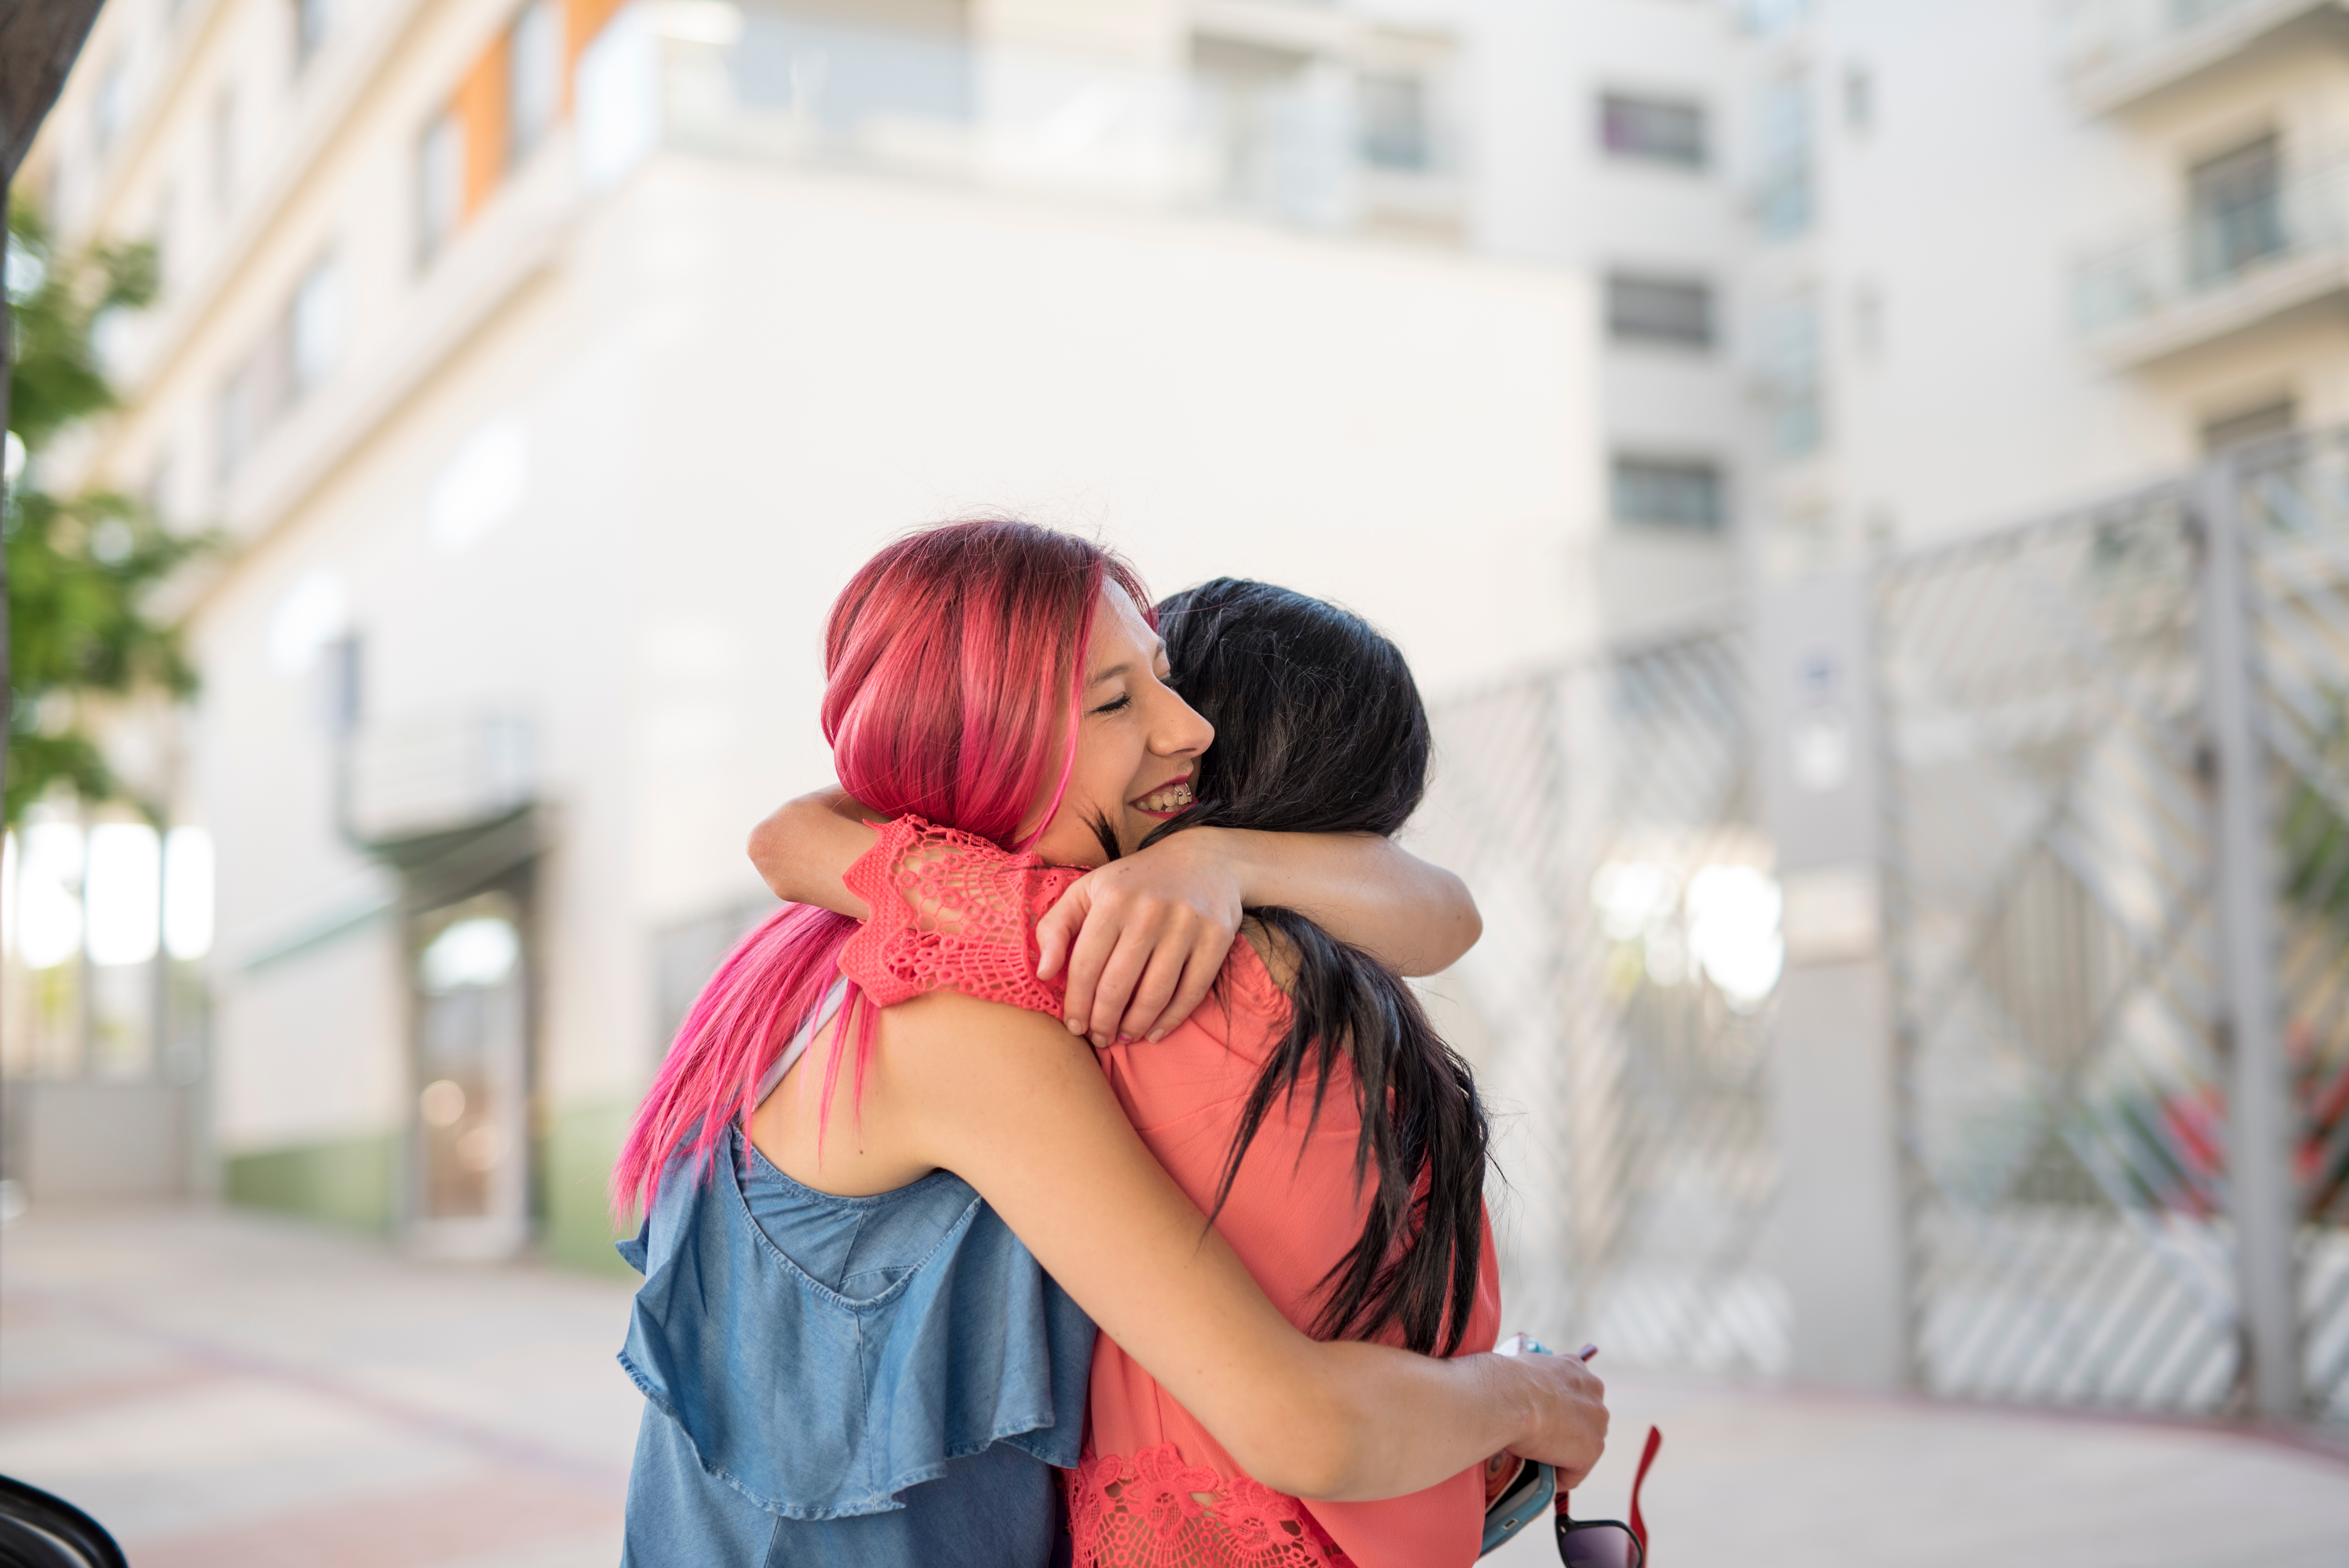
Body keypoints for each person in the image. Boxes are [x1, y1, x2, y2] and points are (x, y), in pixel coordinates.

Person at [612, 522, 1607, 1568]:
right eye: (1116, 700)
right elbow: (1302, 1424)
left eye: (1165, 679)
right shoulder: (966, 1017)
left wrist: (1223, 858)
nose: (1189, 731)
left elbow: (1442, 913)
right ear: (983, 738)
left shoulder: (838, 941)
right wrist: (1527, 1393)